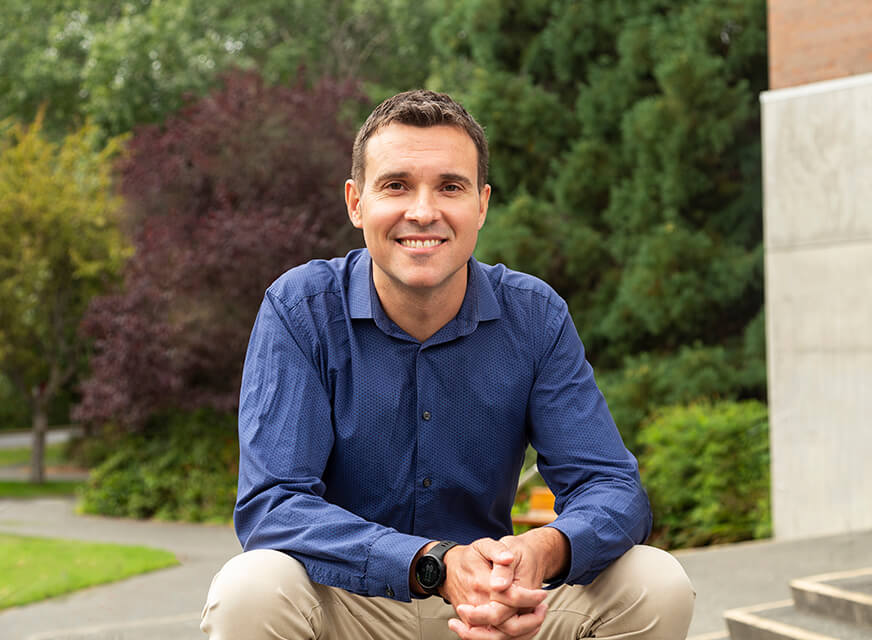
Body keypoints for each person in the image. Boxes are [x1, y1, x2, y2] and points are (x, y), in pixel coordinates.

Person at [201, 90, 695, 640]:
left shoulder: (533, 315)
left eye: (450, 187)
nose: (422, 211)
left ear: (481, 204)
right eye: (396, 185)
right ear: (355, 202)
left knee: (655, 582)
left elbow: (611, 486)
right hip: (350, 605)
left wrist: (540, 551)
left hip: (498, 607)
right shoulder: (301, 310)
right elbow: (273, 505)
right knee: (249, 587)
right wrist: (430, 562)